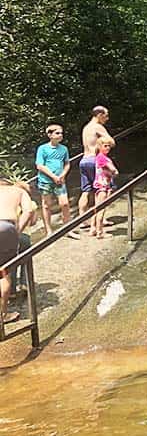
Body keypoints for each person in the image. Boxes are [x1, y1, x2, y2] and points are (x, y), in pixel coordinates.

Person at [0, 178, 34, 323]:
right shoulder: (18, 190)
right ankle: (3, 314)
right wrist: (18, 230)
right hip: (6, 226)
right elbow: (29, 210)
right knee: (4, 272)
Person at [35, 124, 78, 239]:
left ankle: (68, 229)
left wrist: (63, 174)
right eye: (57, 133)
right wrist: (53, 176)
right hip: (46, 181)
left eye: (61, 133)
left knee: (65, 204)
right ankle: (48, 230)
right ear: (50, 135)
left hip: (60, 181)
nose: (60, 135)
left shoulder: (64, 149)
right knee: (46, 205)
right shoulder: (42, 148)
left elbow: (67, 163)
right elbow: (39, 165)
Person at [79, 106, 111, 227]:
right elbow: (111, 141)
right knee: (102, 190)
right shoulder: (97, 127)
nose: (107, 119)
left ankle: (82, 220)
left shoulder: (86, 128)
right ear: (99, 115)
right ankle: (100, 220)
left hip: (84, 159)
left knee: (86, 191)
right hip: (95, 160)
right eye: (106, 115)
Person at [91, 136, 118, 238]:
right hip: (103, 186)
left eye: (109, 146)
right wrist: (114, 172)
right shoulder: (102, 157)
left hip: (100, 184)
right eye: (105, 146)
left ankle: (93, 228)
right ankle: (100, 232)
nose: (107, 148)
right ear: (100, 146)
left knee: (96, 208)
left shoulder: (99, 157)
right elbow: (114, 170)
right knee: (101, 209)